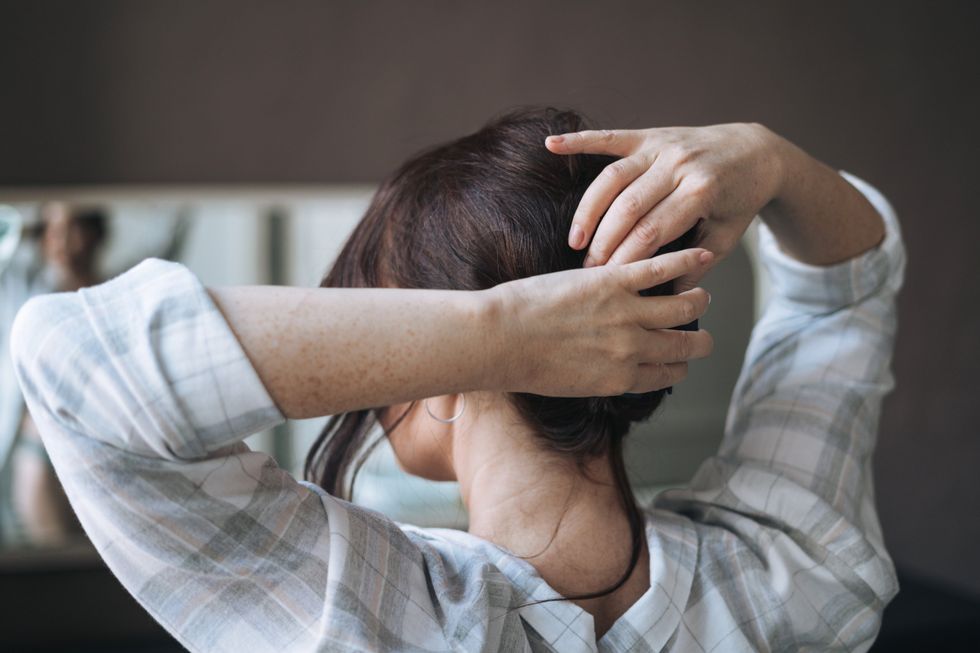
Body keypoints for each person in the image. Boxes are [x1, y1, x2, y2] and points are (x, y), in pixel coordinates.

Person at [10, 108, 903, 651]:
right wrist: (768, 155)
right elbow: (847, 293)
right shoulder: (792, 572)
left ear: (447, 373)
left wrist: (495, 332)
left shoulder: (360, 618)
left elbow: (72, 364)